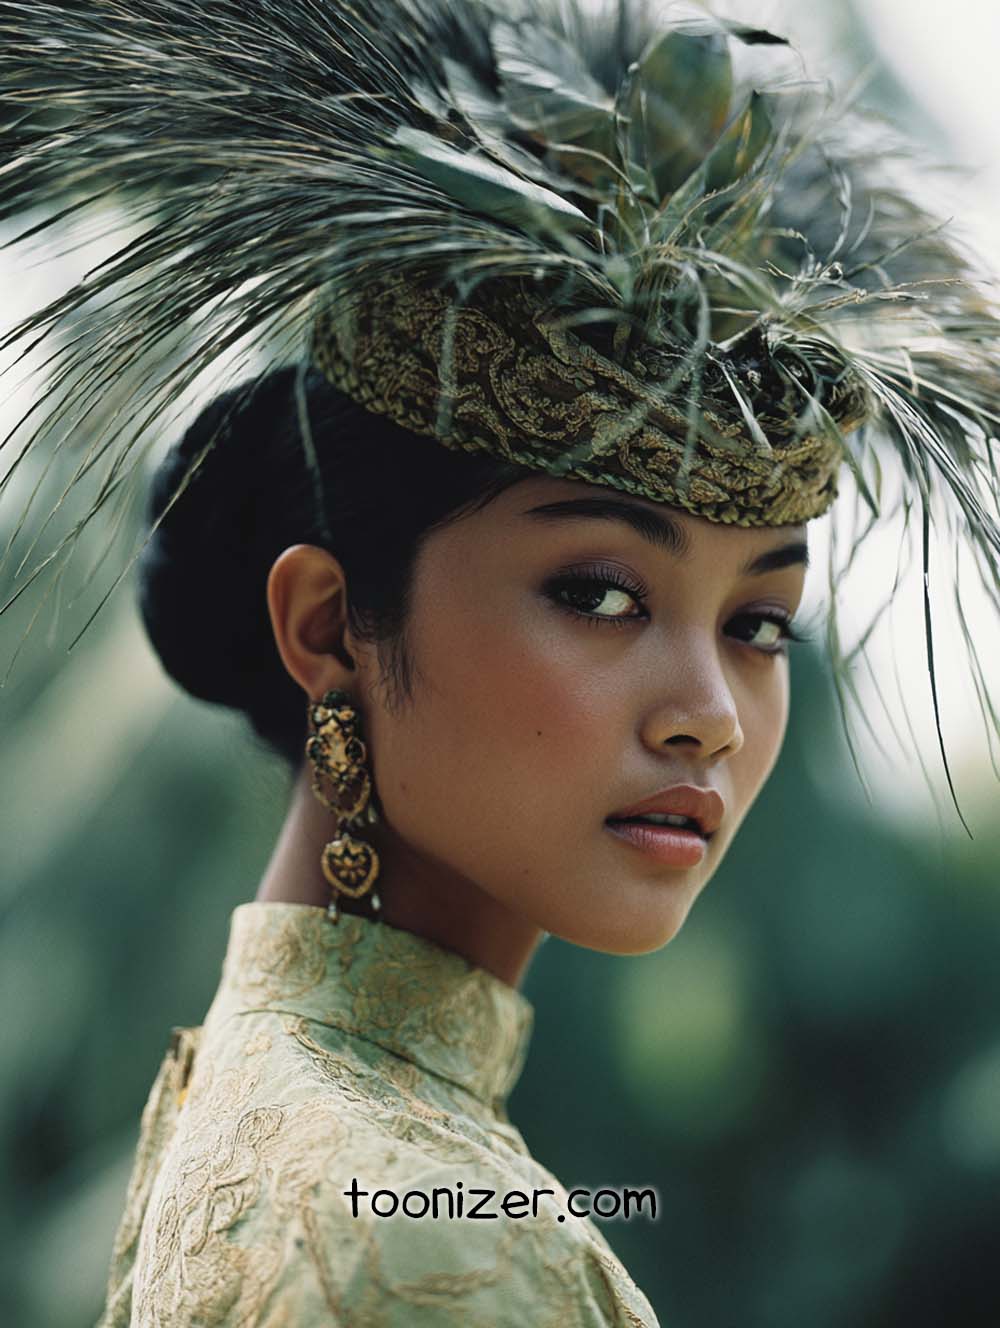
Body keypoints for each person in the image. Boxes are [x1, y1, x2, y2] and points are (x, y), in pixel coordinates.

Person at [1, 1, 998, 1325]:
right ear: (328, 627)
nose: (710, 715)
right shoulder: (417, 1238)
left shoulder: (267, 1116)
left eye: (758, 624)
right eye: (598, 592)